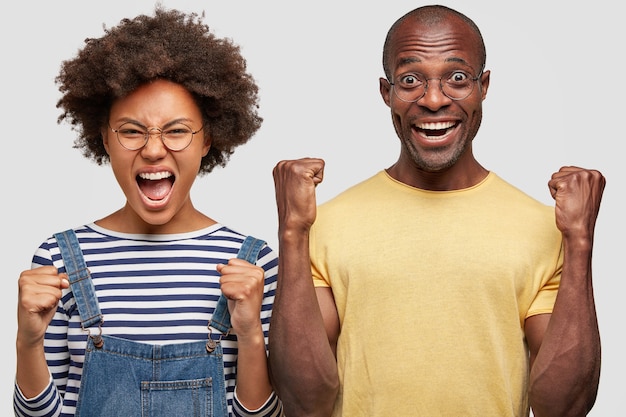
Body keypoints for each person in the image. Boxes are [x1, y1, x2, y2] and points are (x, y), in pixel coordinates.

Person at [269, 4, 605, 417]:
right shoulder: (323, 225)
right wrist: (292, 233)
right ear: (385, 92)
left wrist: (580, 241)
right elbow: (305, 403)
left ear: (483, 86)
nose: (432, 100)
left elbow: (563, 407)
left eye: (457, 78)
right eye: (410, 80)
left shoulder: (544, 228)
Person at [14, 7, 282, 417]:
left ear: (207, 139)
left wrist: (247, 334)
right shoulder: (59, 260)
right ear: (104, 138)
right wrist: (27, 342)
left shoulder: (252, 263)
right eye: (132, 131)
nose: (154, 149)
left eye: (176, 131)